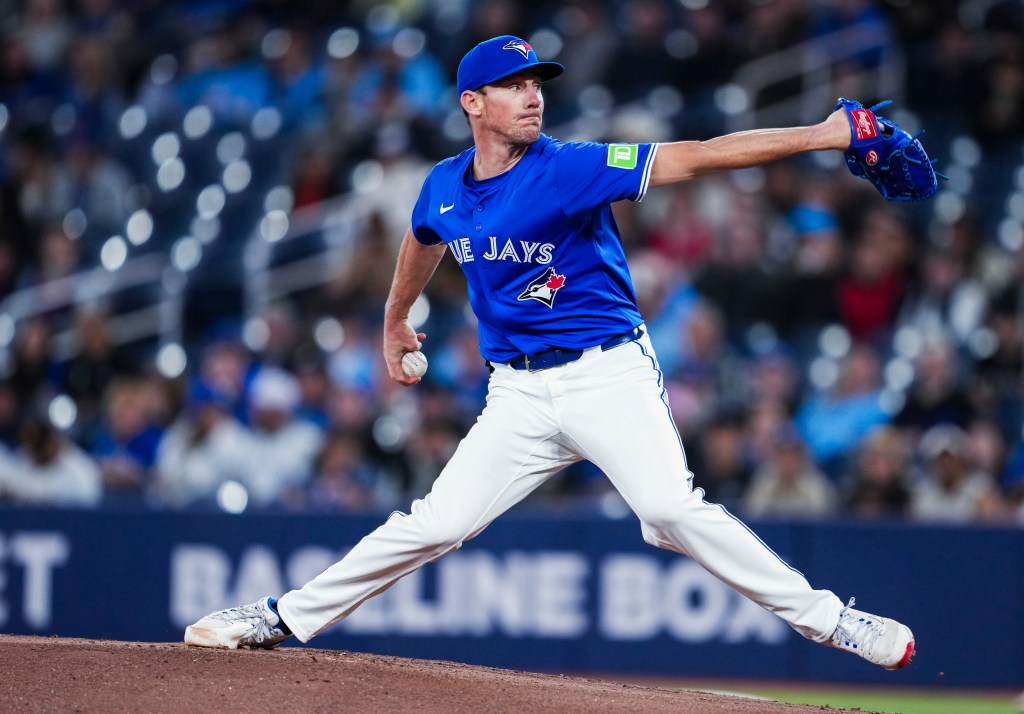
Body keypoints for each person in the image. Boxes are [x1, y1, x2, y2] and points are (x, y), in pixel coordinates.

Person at [185, 35, 915, 672]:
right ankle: (281, 618)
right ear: (472, 103)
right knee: (436, 523)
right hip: (519, 395)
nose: (533, 96)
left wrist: (824, 135)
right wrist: (394, 315)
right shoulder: (443, 185)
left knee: (668, 509)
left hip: (607, 373)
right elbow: (421, 236)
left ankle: (832, 621)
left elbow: (699, 157)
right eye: (514, 85)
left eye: (537, 83)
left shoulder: (570, 167)